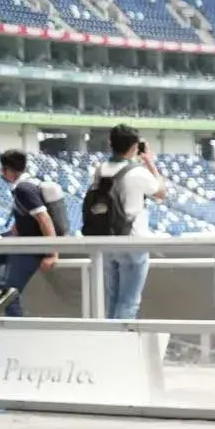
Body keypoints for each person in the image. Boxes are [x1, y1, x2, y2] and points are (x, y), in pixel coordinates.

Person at [82, 124, 168, 319]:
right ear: (135, 146)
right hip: (132, 240)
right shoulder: (137, 172)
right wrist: (150, 163)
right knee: (129, 301)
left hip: (107, 241)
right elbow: (161, 193)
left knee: (113, 297)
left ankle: (111, 341)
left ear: (110, 143)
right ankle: (120, 344)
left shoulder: (99, 170)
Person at [0, 148, 57, 316]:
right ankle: (2, 291)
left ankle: (6, 299)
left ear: (7, 170)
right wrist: (9, 233)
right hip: (23, 240)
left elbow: (44, 218)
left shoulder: (24, 189)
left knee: (9, 292)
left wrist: (52, 253)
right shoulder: (24, 187)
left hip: (31, 247)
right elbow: (26, 216)